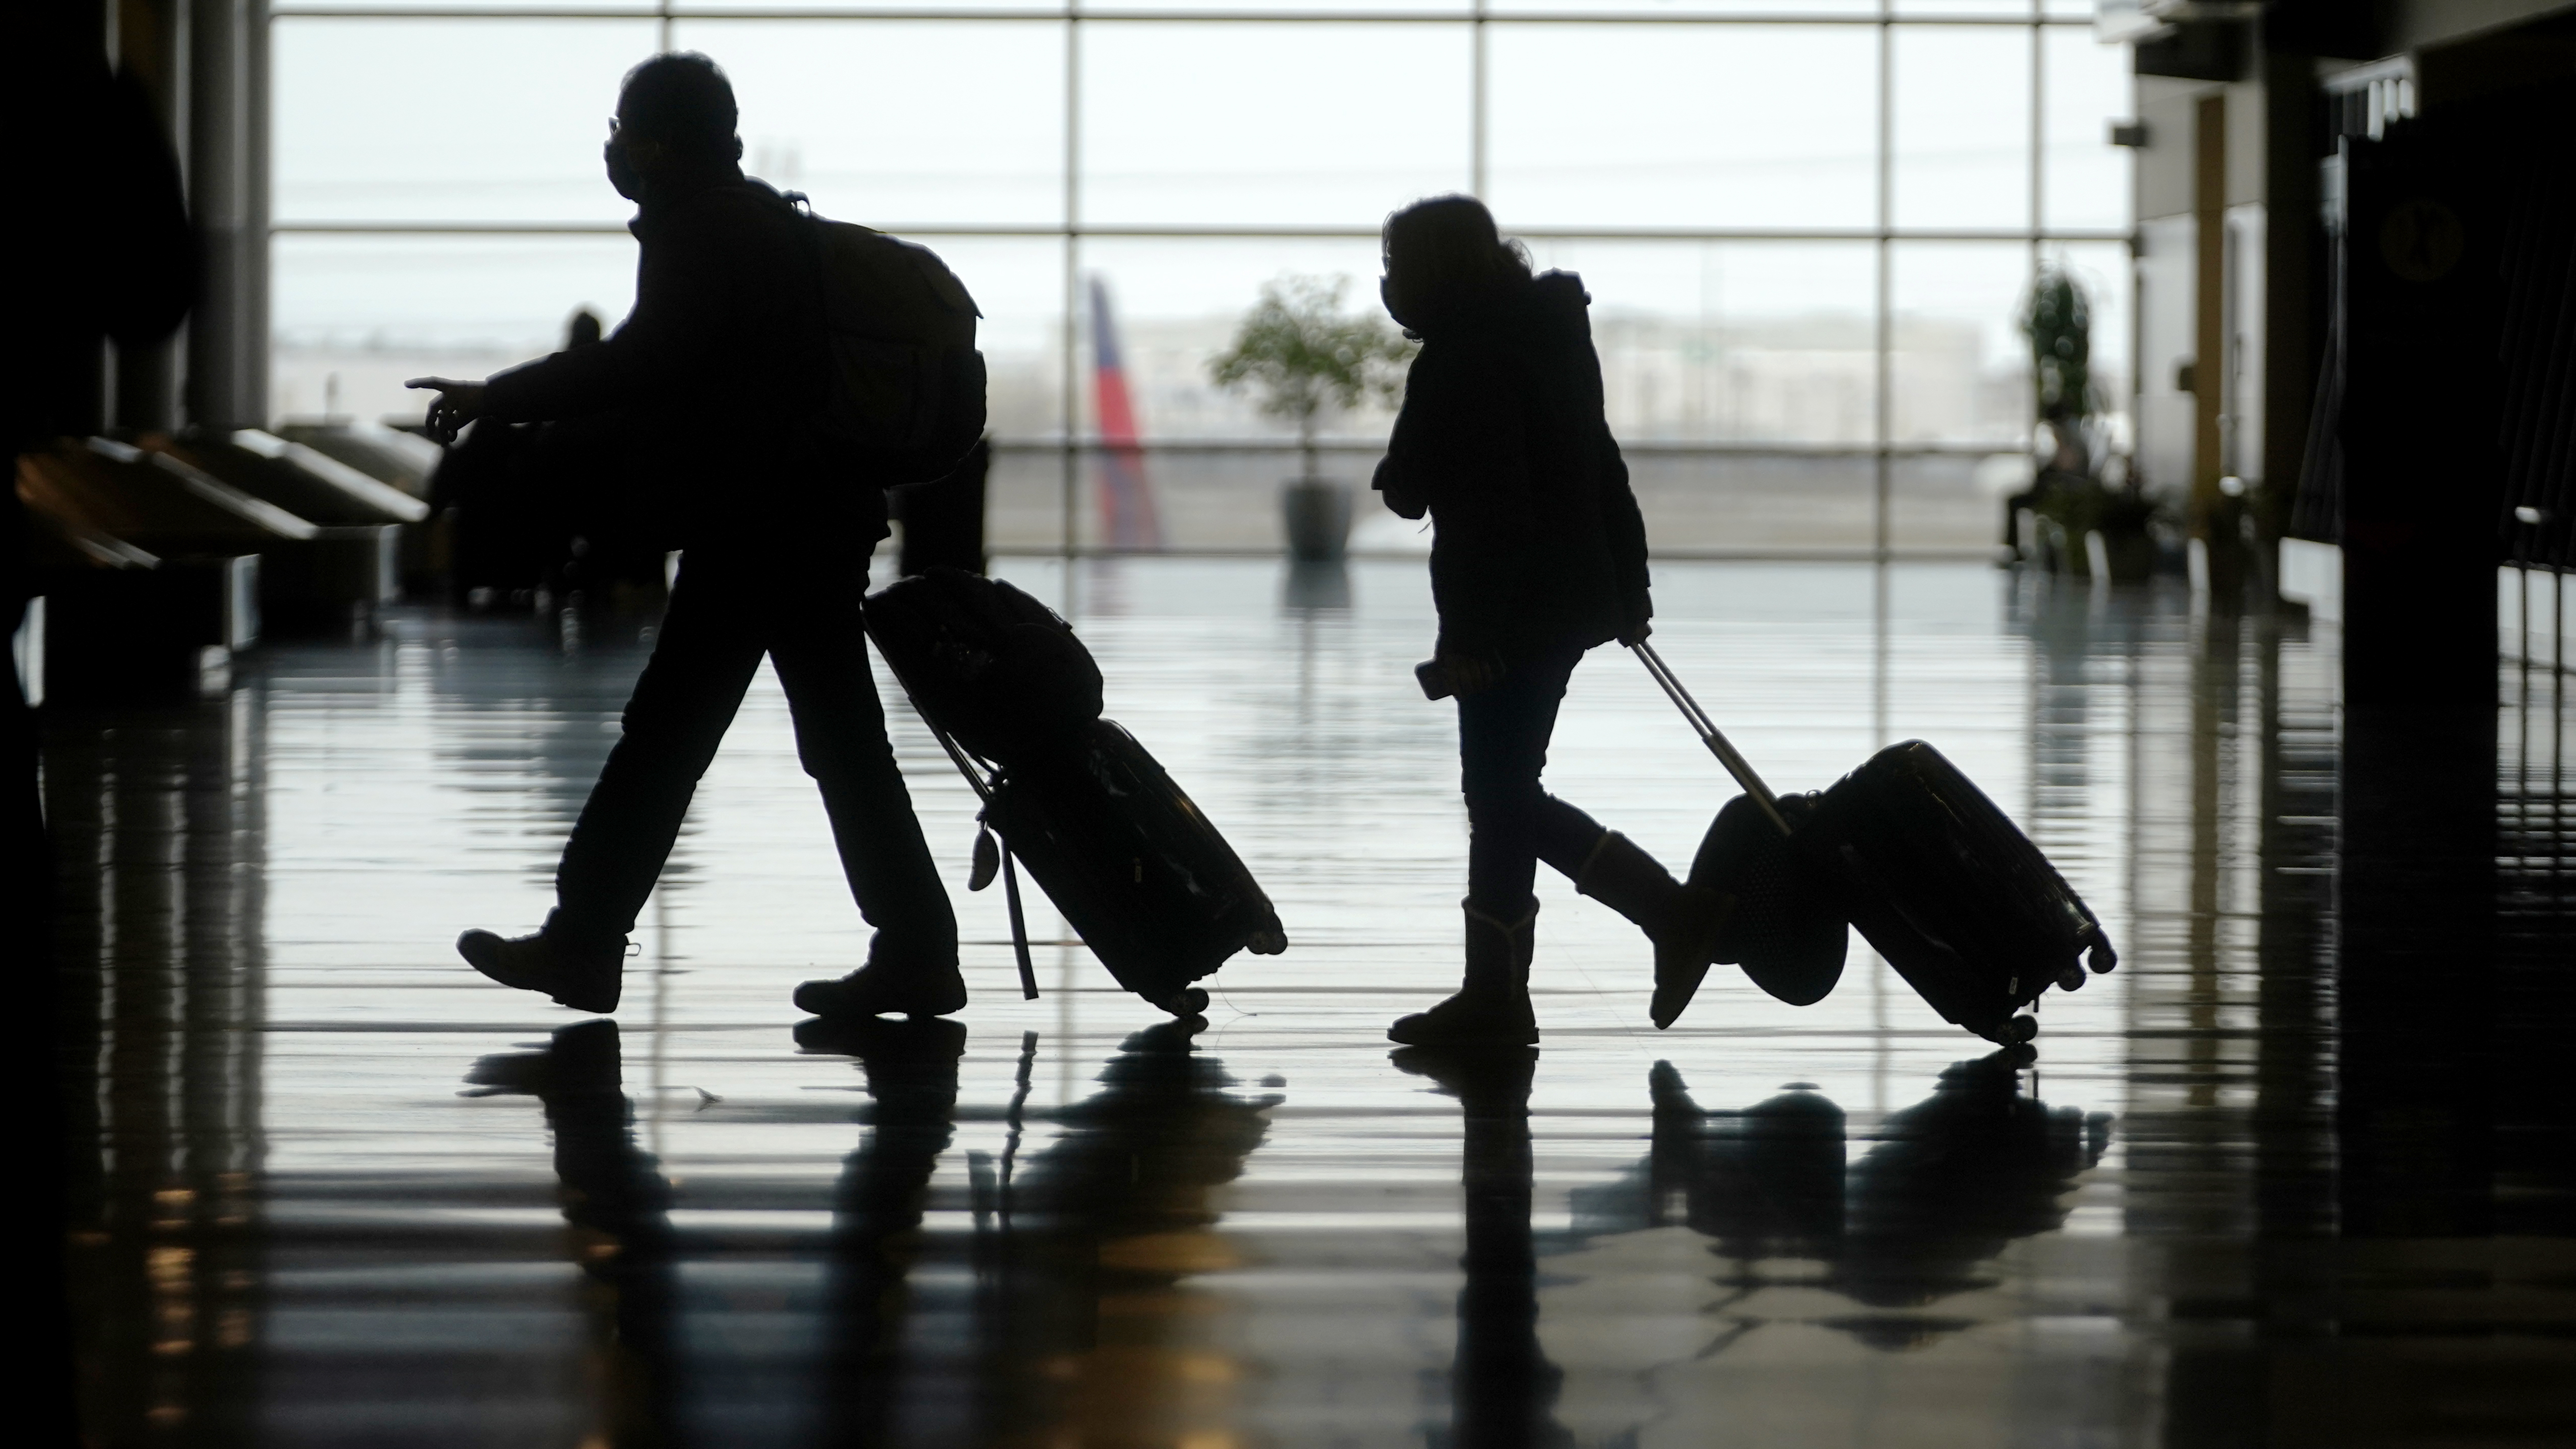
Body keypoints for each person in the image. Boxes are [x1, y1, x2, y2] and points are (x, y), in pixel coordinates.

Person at [411, 52, 961, 1022]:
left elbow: (644, 362)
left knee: (668, 738)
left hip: (763, 527)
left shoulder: (705, 231)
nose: (614, 150)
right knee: (829, 746)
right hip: (802, 518)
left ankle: (586, 943)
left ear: (658, 142)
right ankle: (916, 950)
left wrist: (499, 399)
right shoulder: (749, 219)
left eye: (622, 131)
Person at [1373, 196, 1737, 1046]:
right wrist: (1627, 586)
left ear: (1433, 269)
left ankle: (1669, 913)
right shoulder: (1548, 338)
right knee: (1503, 794)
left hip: (1504, 608)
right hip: (1568, 597)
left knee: (1500, 795)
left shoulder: (1459, 357)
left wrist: (1473, 638)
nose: (1387, 285)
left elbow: (1442, 491)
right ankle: (1498, 994)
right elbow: (1596, 461)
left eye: (1395, 267)